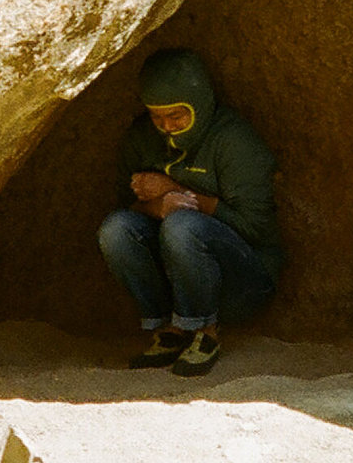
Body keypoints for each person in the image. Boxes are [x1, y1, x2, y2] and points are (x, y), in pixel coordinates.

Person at [98, 48, 282, 376]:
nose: (167, 127)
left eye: (177, 117)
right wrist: (156, 205)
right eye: (157, 117)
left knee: (182, 225)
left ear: (199, 104)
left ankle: (205, 331)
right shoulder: (142, 138)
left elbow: (256, 228)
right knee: (116, 229)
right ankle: (171, 329)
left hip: (242, 283)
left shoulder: (232, 141)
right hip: (181, 277)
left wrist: (175, 192)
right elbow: (125, 208)